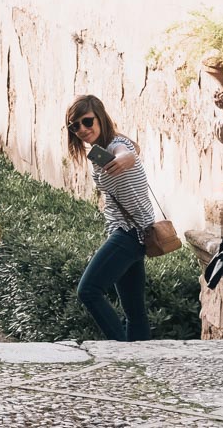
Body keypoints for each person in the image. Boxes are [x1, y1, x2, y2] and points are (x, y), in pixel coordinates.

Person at [67, 95, 154, 342]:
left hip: (129, 233)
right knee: (135, 312)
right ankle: (141, 362)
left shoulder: (116, 145)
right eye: (75, 126)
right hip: (133, 232)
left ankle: (120, 349)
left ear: (101, 118)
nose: (82, 129)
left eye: (87, 121)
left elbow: (124, 150)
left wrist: (127, 155)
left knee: (88, 290)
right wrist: (130, 150)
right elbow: (128, 146)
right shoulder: (98, 153)